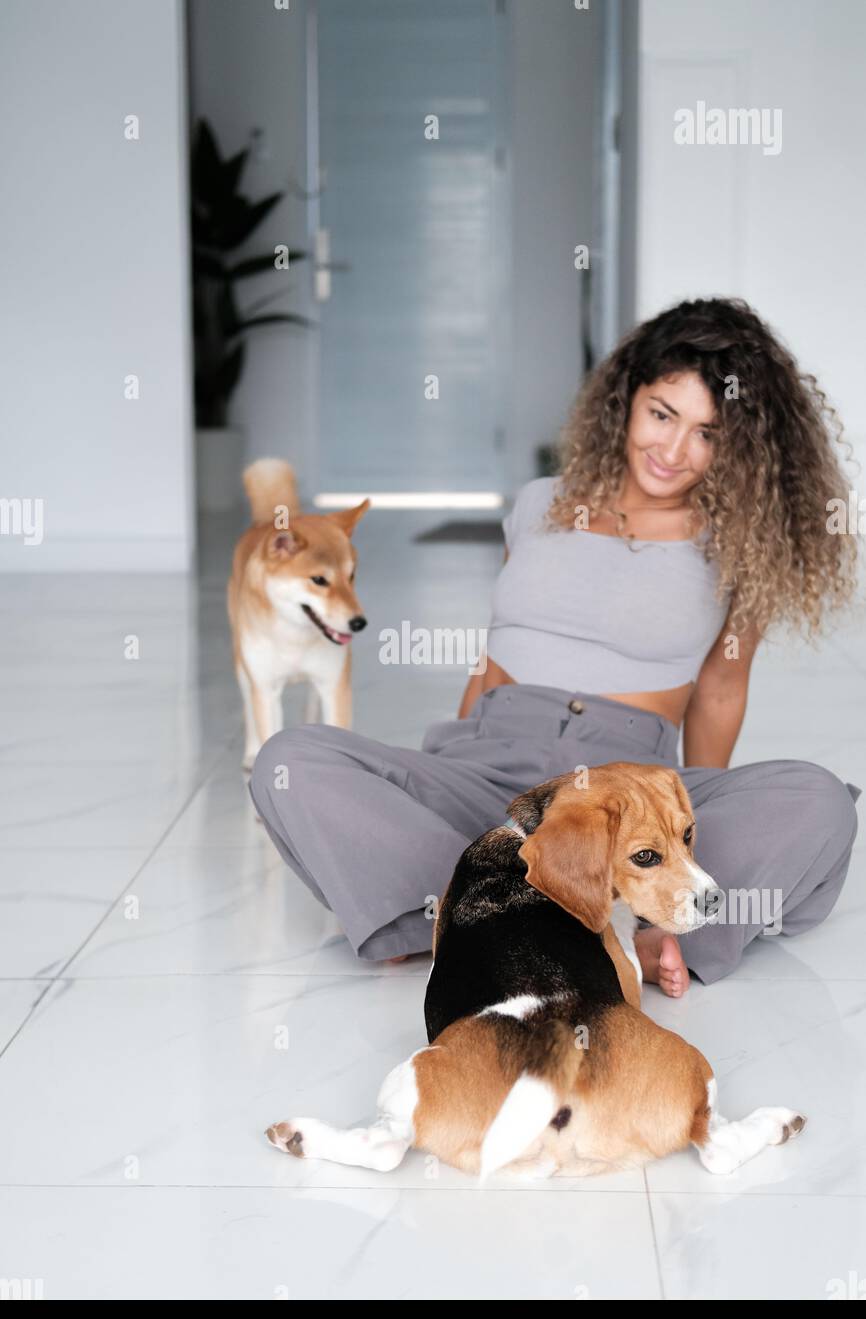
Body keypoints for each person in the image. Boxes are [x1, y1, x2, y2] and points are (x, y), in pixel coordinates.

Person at [250, 298, 860, 994]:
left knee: (819, 801)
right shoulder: (540, 502)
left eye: (707, 433)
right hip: (486, 767)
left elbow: (721, 688)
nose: (673, 450)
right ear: (627, 399)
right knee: (290, 760)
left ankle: (629, 921)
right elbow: (497, 651)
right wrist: (437, 777)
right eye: (662, 414)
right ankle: (535, 911)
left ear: (739, 446)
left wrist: (683, 841)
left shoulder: (742, 546)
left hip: (629, 788)